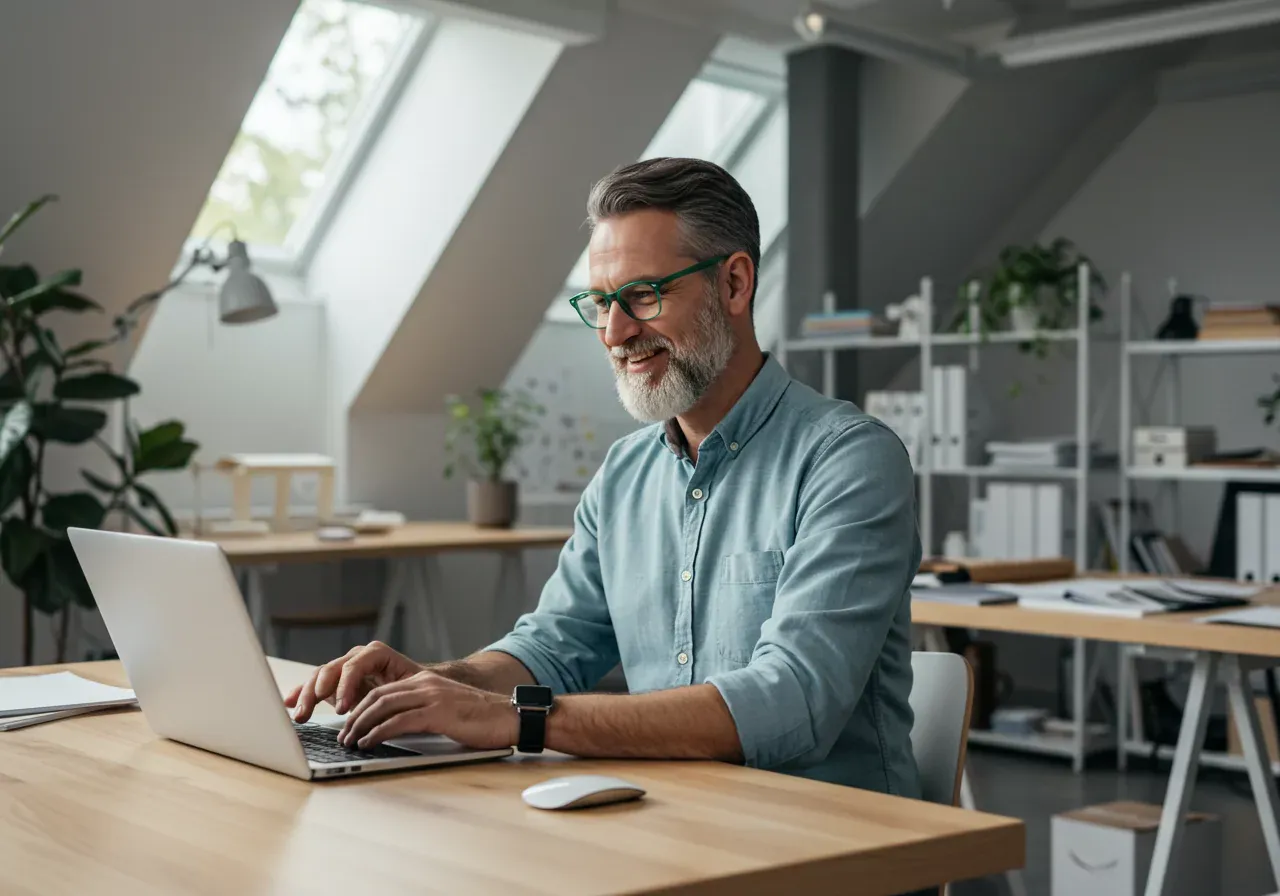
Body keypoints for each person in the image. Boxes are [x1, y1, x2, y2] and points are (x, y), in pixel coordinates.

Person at [289, 157, 922, 798]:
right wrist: (435, 683)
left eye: (644, 296)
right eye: (600, 302)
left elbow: (793, 702)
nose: (616, 332)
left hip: (835, 841)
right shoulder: (625, 474)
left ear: (734, 285)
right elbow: (553, 650)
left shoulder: (849, 460)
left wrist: (516, 719)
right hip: (683, 819)